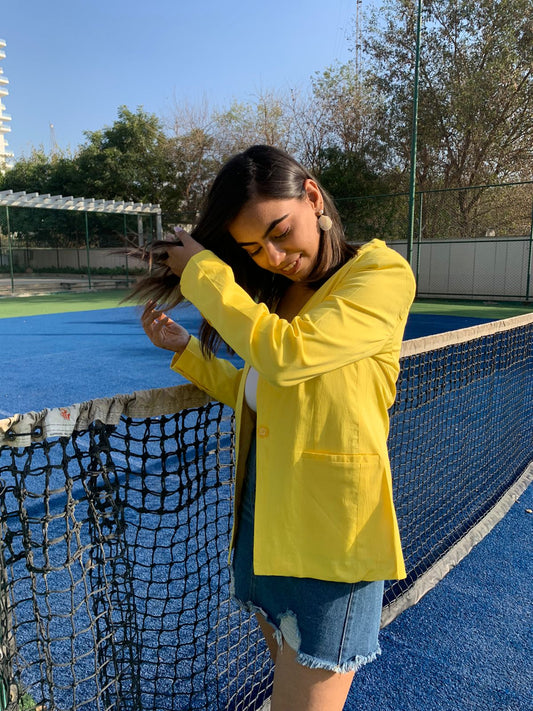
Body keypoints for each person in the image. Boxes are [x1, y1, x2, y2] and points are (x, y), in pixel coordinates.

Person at [137, 145, 416, 711]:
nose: (272, 256)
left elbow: (287, 356)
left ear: (312, 197)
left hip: (332, 536)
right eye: (250, 249)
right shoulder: (278, 298)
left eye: (280, 231)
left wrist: (201, 271)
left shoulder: (380, 276)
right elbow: (264, 391)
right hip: (262, 520)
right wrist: (189, 350)